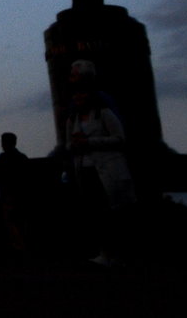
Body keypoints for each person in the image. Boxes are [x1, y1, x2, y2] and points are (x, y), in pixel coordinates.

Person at [65, 60, 136, 266]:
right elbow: (69, 143)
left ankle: (118, 253)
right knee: (96, 214)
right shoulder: (74, 117)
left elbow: (120, 138)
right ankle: (105, 252)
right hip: (85, 170)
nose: (78, 97)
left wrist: (89, 142)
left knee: (112, 212)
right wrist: (76, 145)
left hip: (107, 169)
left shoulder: (104, 110)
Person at [0, 132, 30, 255]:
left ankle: (18, 246)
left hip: (8, 194)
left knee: (10, 222)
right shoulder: (22, 157)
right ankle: (22, 245)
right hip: (20, 194)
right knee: (20, 221)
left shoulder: (3, 158)